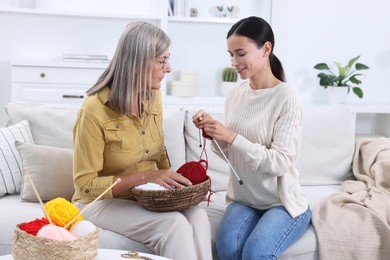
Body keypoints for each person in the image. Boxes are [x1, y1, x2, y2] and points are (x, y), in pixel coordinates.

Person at [72, 21, 212, 260]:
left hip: (146, 197)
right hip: (99, 203)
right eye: (161, 61)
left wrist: (173, 186)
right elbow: (85, 186)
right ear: (138, 63)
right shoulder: (94, 110)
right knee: (173, 224)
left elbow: (158, 155)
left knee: (198, 216)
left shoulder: (152, 95)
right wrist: (147, 177)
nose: (168, 69)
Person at [193, 16, 311, 259]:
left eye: (240, 53)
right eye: (230, 55)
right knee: (226, 249)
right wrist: (214, 134)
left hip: (283, 203)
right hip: (245, 200)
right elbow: (233, 156)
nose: (234, 62)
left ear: (265, 49)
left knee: (255, 253)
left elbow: (279, 163)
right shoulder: (235, 96)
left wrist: (232, 136)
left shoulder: (286, 97)